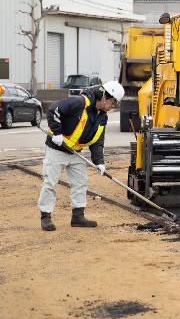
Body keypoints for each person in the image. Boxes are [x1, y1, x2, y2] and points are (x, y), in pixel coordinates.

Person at [38, 80, 124, 231]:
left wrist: (99, 162)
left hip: (76, 152)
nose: (113, 106)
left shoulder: (102, 117)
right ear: (104, 97)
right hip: (57, 149)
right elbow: (53, 110)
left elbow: (97, 141)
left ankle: (78, 216)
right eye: (113, 102)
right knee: (50, 182)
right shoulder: (79, 102)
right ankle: (46, 216)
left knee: (80, 182)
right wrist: (57, 133)